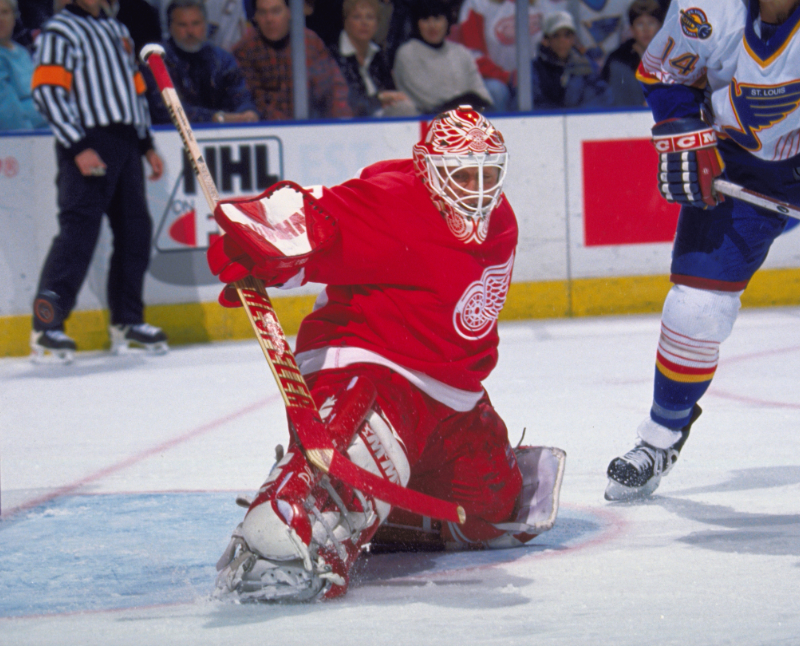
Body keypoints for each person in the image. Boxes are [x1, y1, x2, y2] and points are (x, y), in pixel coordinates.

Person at [210, 106, 565, 601]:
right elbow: (314, 217)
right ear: (428, 169)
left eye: (488, 173)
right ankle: (293, 518)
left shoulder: (500, 218)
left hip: (452, 394)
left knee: (494, 510)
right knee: (359, 443)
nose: (478, 189)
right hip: (371, 361)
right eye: (463, 174)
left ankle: (379, 505)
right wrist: (260, 245)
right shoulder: (398, 200)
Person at [605, 0, 800, 500]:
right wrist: (684, 137)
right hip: (735, 168)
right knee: (694, 309)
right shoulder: (710, 8)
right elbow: (663, 73)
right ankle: (660, 437)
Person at [30, 0, 168, 362]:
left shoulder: (118, 29)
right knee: (79, 231)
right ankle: (46, 325)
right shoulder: (60, 30)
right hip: (88, 139)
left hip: (125, 142)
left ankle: (127, 320)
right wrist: (77, 145)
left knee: (135, 229)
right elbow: (47, 91)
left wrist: (146, 143)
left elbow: (135, 89)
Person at [233, 0, 352, 120]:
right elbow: (252, 102)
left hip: (312, 125)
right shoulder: (245, 50)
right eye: (262, 12)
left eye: (276, 11)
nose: (269, 19)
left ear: (290, 12)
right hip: (269, 130)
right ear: (255, 16)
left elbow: (334, 87)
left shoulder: (310, 42)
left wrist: (342, 122)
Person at [145, 0, 258, 125]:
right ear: (170, 27)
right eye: (182, 25)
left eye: (196, 23)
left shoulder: (223, 60)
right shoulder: (158, 61)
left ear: (206, 24)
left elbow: (241, 96)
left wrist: (248, 112)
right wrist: (217, 118)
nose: (190, 31)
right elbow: (165, 110)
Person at [456, 0, 564, 113]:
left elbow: (560, 39)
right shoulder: (477, 4)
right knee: (496, 91)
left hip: (536, 76)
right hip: (493, 80)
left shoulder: (542, 4)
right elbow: (472, 55)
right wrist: (506, 76)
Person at [392, 0, 493, 114]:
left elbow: (479, 89)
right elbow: (426, 99)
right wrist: (462, 101)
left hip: (469, 115)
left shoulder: (460, 52)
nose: (432, 26)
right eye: (425, 20)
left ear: (447, 22)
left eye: (437, 19)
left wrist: (474, 101)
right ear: (416, 23)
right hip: (428, 120)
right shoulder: (407, 53)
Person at [329, 0, 416, 117]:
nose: (364, 23)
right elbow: (345, 100)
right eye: (357, 17)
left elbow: (391, 90)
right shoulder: (333, 56)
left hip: (380, 118)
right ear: (346, 22)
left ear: (377, 24)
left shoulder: (378, 55)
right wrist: (380, 99)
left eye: (370, 17)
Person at [529, 10, 608, 110]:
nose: (562, 41)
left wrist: (577, 115)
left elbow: (603, 96)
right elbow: (531, 103)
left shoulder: (586, 65)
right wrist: (561, 115)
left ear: (574, 39)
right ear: (546, 40)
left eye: (567, 35)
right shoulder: (534, 69)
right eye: (556, 35)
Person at [600, 0, 664, 107]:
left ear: (660, 27)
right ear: (631, 29)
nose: (646, 30)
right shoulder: (617, 61)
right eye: (640, 24)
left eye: (651, 23)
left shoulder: (673, 58)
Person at [0, 0, 48, 130]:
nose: (1, 19)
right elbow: (8, 113)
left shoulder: (22, 52)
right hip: (22, 138)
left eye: (5, 12)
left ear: (14, 17)